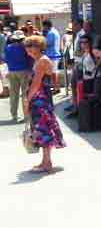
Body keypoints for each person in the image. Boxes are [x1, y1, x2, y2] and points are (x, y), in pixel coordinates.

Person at [23, 35, 65, 173]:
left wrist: (27, 99)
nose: (28, 50)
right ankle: (45, 161)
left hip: (39, 99)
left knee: (43, 129)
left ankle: (46, 163)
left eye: (30, 46)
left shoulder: (41, 61)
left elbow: (36, 83)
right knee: (43, 129)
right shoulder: (40, 60)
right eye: (27, 47)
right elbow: (53, 77)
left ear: (37, 47)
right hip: (42, 98)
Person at [4, 30, 32, 121]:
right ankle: (26, 116)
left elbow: (5, 59)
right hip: (24, 71)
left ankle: (14, 115)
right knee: (25, 94)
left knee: (13, 94)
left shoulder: (8, 47)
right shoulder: (24, 48)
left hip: (12, 71)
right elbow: (29, 59)